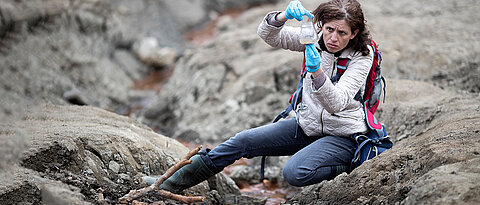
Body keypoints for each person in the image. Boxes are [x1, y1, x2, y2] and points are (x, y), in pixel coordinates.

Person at [143, 0, 374, 193]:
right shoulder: (314, 38)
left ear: (353, 33)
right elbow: (269, 36)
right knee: (243, 141)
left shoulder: (363, 56)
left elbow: (336, 103)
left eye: (341, 33)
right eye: (329, 29)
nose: (333, 38)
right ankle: (170, 184)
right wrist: (282, 16)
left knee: (294, 172)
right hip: (308, 125)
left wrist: (317, 72)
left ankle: (348, 163)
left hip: (343, 135)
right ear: (322, 26)